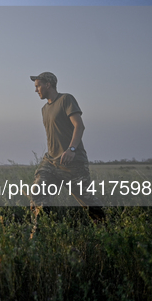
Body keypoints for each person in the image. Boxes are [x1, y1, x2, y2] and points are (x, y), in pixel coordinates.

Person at [29, 72, 105, 237]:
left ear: (48, 84)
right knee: (38, 192)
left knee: (89, 202)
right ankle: (38, 234)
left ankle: (108, 232)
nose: (36, 90)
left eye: (38, 86)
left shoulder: (66, 100)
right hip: (51, 161)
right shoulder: (44, 109)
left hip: (72, 163)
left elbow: (79, 126)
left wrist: (71, 149)